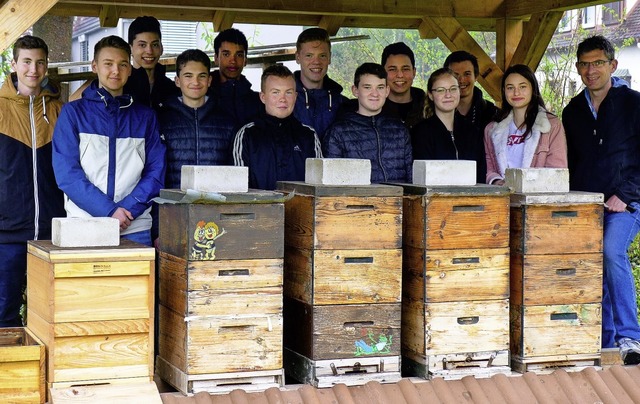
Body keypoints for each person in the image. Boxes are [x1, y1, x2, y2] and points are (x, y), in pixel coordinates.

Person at [562, 35, 640, 365]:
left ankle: (630, 337)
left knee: (611, 250)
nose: (590, 70)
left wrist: (626, 194)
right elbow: (572, 162)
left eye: (597, 63)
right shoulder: (573, 111)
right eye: (584, 64)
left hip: (629, 201)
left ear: (613, 65)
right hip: (587, 206)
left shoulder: (634, 103)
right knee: (592, 267)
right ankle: (605, 341)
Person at [53, 35, 165, 247]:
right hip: (84, 224)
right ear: (94, 66)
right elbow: (67, 173)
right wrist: (109, 211)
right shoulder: (73, 114)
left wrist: (127, 210)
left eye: (123, 64)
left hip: (135, 226)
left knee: (135, 282)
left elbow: (156, 171)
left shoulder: (145, 117)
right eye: (108, 64)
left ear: (130, 69)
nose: (116, 70)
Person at [0, 35, 65, 327]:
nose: (33, 69)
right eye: (26, 61)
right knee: (4, 312)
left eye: (39, 62)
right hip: (7, 233)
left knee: (50, 314)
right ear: (13, 64)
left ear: (47, 66)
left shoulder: (58, 109)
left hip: (53, 233)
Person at [232, 65, 322, 190]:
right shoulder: (247, 135)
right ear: (263, 97)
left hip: (302, 209)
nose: (283, 99)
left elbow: (318, 186)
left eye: (288, 92)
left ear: (296, 97)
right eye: (275, 92)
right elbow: (238, 187)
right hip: (260, 209)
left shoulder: (308, 135)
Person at [324, 63, 412, 183]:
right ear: (355, 90)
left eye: (380, 87)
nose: (375, 94)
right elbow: (331, 181)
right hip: (357, 201)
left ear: (387, 91)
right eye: (367, 87)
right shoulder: (339, 131)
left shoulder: (399, 130)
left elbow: (411, 177)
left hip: (399, 200)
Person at [160, 49, 235, 189]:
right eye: (188, 76)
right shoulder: (162, 119)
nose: (195, 82)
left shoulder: (226, 121)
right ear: (177, 81)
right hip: (171, 204)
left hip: (215, 205)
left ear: (209, 80)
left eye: (201, 76)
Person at [484, 64, 567, 185]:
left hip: (538, 199)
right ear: (504, 91)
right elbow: (490, 169)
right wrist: (498, 182)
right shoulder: (492, 129)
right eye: (510, 88)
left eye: (522, 87)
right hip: (503, 198)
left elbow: (558, 171)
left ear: (533, 88)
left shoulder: (551, 125)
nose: (516, 93)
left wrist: (525, 185)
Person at [411, 68, 485, 183]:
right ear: (430, 95)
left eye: (453, 89)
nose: (448, 95)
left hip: (472, 198)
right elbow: (423, 177)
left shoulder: (472, 131)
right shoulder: (421, 132)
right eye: (441, 90)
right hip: (435, 198)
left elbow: (481, 173)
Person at [293, 27, 347, 142]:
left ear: (329, 58)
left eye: (322, 55)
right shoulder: (285, 100)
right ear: (298, 57)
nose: (316, 62)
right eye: (309, 56)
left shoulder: (343, 104)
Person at [207, 28, 262, 128]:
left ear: (245, 60)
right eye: (226, 54)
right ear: (216, 58)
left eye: (239, 55)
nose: (233, 60)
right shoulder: (204, 96)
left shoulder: (257, 102)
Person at [444, 50, 497, 136]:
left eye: (467, 74)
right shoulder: (435, 114)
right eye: (455, 75)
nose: (461, 80)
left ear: (476, 77)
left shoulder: (492, 114)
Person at [380, 42, 426, 129]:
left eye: (405, 69)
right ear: (382, 72)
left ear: (414, 72)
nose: (400, 75)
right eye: (392, 69)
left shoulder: (429, 109)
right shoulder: (372, 108)